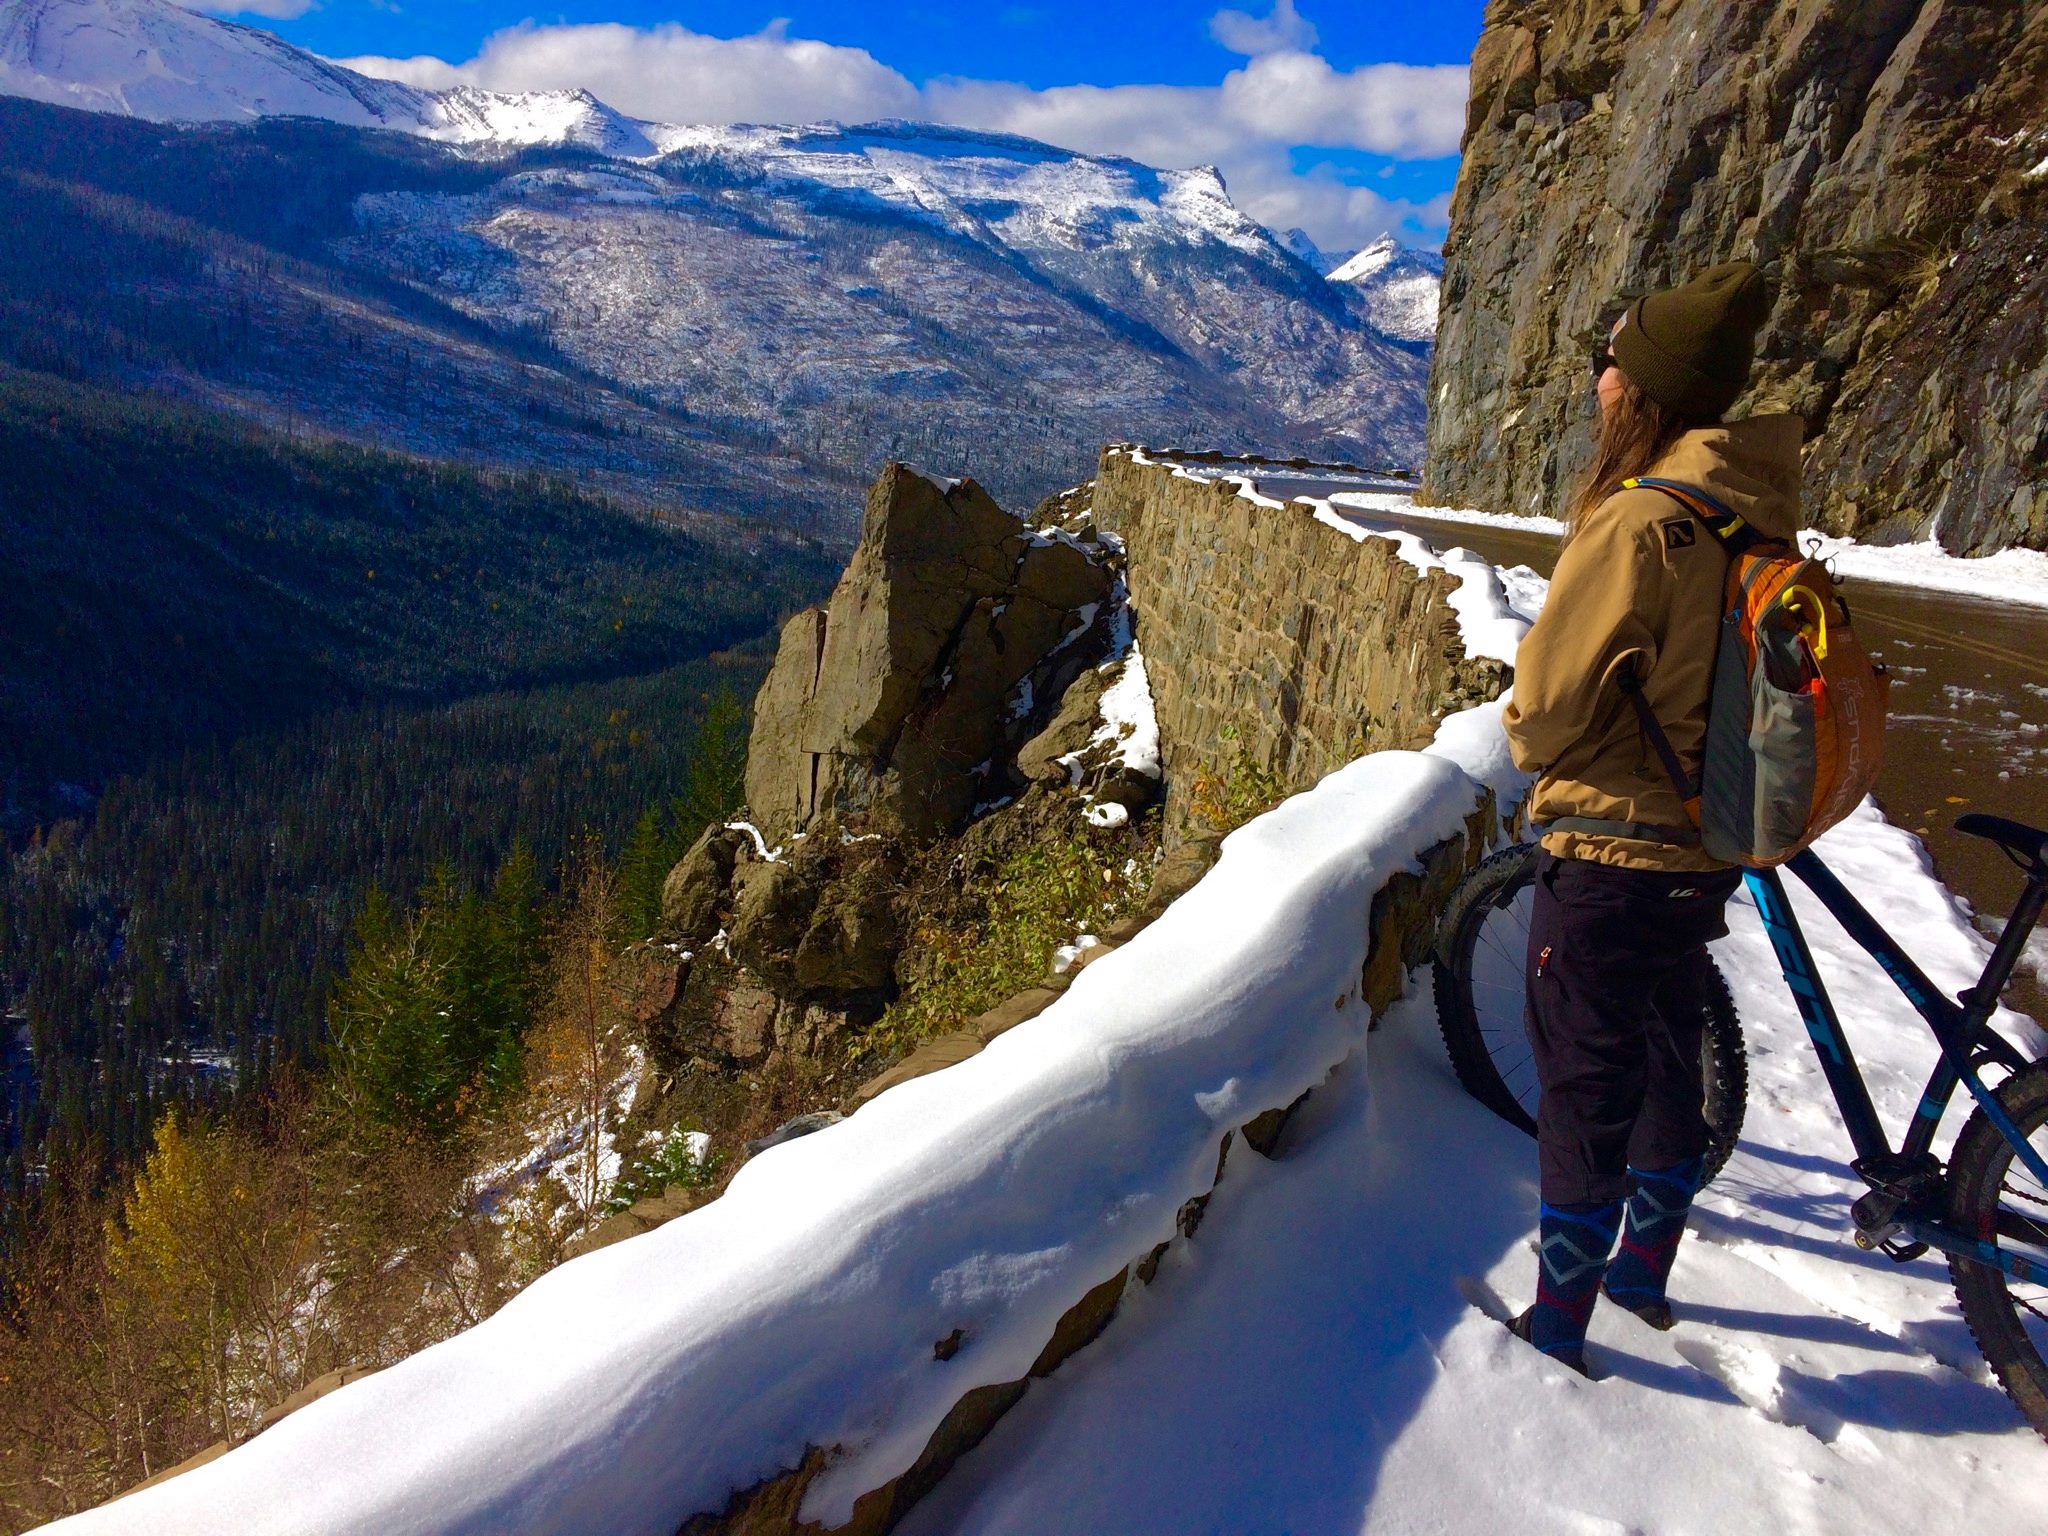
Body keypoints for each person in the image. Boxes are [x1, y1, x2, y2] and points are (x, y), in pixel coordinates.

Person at [1499, 260, 1801, 1374]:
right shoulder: (1750, 516)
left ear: (1643, 391)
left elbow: (1547, 706)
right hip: (1705, 837)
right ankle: (1641, 1274)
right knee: (1670, 1043)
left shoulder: (1638, 524)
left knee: (1583, 1075)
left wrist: (1528, 737)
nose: (1596, 381)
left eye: (1611, 363)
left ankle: (1557, 1330)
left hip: (1611, 839)